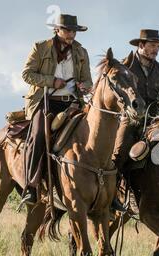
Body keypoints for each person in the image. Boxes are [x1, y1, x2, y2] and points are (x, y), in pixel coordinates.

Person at [21, 14, 93, 205]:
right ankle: (31, 186)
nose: (71, 34)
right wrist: (51, 81)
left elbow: (88, 80)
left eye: (74, 31)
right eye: (68, 30)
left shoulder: (81, 52)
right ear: (57, 30)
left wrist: (83, 86)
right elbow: (27, 74)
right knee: (37, 136)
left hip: (72, 103)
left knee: (94, 136)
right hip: (45, 100)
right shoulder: (40, 47)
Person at [111, 29, 159, 211]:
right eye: (152, 46)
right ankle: (111, 196)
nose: (156, 50)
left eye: (158, 46)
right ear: (141, 45)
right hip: (129, 120)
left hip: (153, 121)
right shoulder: (125, 66)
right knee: (118, 155)